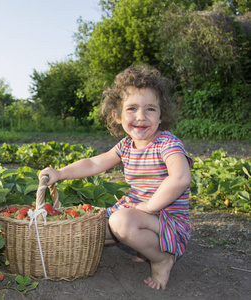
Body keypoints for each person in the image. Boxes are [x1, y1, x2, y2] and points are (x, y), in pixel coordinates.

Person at [39, 65, 193, 290]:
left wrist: (150, 206)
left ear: (161, 116)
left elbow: (180, 178)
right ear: (118, 116)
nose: (141, 116)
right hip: (140, 213)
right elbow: (94, 163)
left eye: (150, 109)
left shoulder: (167, 144)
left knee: (120, 221)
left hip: (167, 220)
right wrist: (60, 173)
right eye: (132, 108)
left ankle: (162, 259)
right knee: (93, 232)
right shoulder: (125, 146)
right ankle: (144, 248)